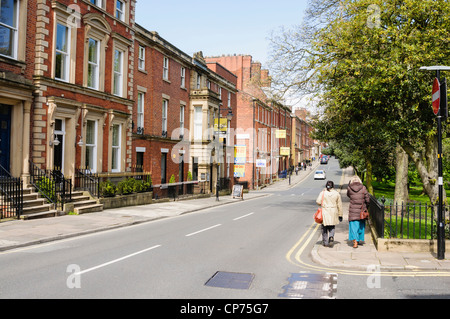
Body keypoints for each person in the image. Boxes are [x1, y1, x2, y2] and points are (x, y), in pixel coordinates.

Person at [316, 181, 343, 247]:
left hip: (325, 211)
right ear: (333, 186)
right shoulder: (337, 194)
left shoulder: (323, 193)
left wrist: (322, 203)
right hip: (333, 211)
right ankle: (331, 236)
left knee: (324, 228)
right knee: (332, 226)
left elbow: (318, 201)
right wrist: (340, 215)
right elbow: (339, 205)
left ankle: (325, 242)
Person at [347, 176, 370, 248]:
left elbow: (348, 195)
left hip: (353, 210)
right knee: (361, 225)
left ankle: (355, 241)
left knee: (353, 226)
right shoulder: (363, 188)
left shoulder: (349, 188)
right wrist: (366, 206)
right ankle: (358, 239)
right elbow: (368, 200)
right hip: (361, 210)